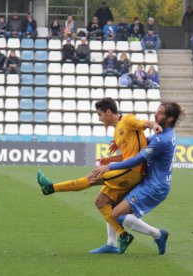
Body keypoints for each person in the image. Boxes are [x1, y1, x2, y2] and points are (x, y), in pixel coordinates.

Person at [37, 97, 161, 254]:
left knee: (92, 178)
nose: (99, 118)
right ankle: (122, 236)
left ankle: (51, 188)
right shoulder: (117, 130)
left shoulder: (127, 120)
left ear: (108, 112)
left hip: (132, 172)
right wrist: (110, 160)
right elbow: (129, 154)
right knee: (101, 202)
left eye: (100, 114)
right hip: (127, 171)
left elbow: (145, 123)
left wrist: (155, 125)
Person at [92, 102, 184, 254]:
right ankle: (111, 243)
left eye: (160, 113)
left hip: (155, 186)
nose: (156, 115)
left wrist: (109, 166)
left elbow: (136, 159)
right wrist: (114, 152)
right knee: (109, 201)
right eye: (157, 111)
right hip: (148, 181)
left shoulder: (162, 140)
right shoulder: (162, 134)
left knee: (117, 214)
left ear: (170, 118)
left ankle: (158, 234)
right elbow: (135, 146)